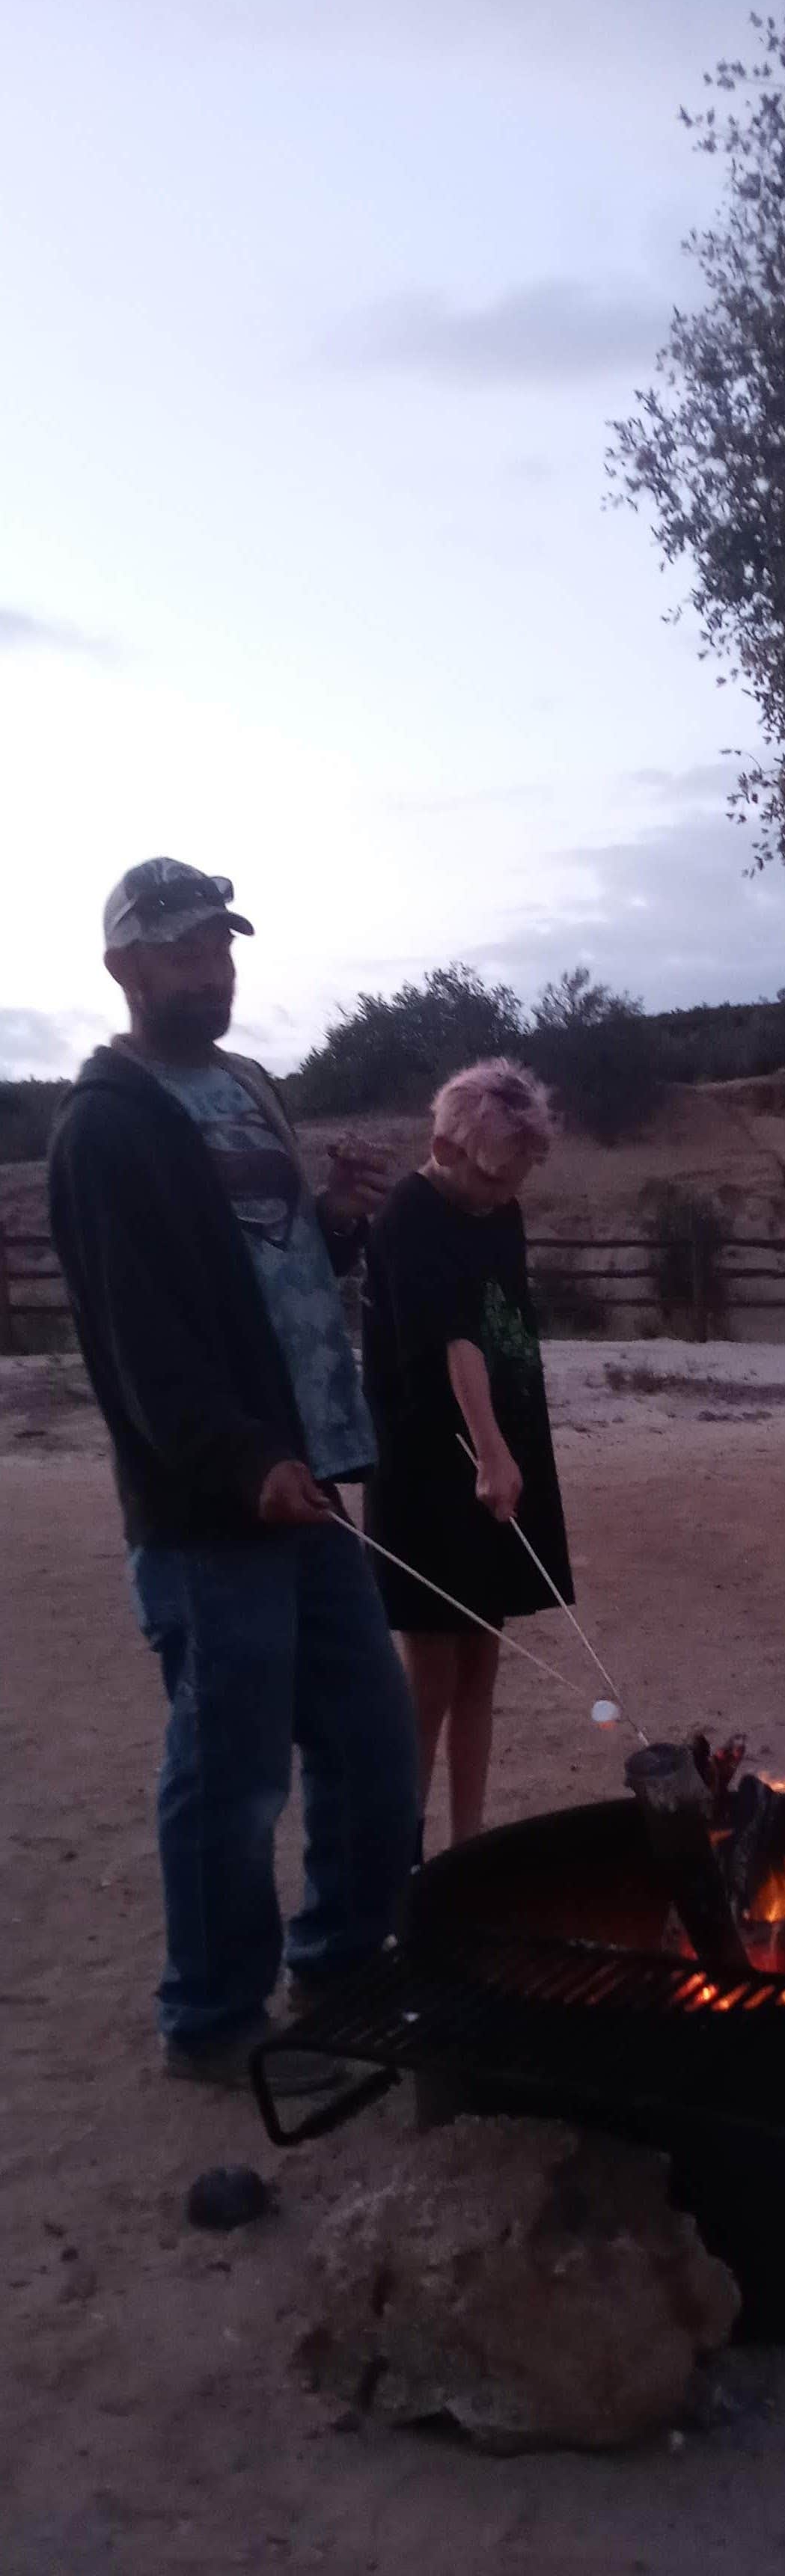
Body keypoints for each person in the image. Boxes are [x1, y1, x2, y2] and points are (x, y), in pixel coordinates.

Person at [48, 857, 418, 2086]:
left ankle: (346, 1958)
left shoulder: (248, 1086)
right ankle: (211, 2020)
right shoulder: (106, 1126)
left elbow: (281, 1263)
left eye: (222, 948)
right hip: (213, 1509)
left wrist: (346, 1217)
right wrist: (243, 1460)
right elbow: (139, 1338)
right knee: (233, 1773)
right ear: (126, 967)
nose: (212, 971)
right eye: (185, 951)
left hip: (308, 1477)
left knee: (369, 1734)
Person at [362, 1059, 573, 1847]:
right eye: (494, 1179)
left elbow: (501, 1326)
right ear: (445, 1148)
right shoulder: (409, 1215)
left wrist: (507, 1448)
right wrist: (489, 1451)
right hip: (427, 1461)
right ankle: (403, 1862)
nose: (504, 1196)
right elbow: (454, 1340)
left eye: (517, 1180)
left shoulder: (497, 1209)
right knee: (431, 1680)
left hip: (501, 1449)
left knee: (484, 1662)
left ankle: (468, 1849)